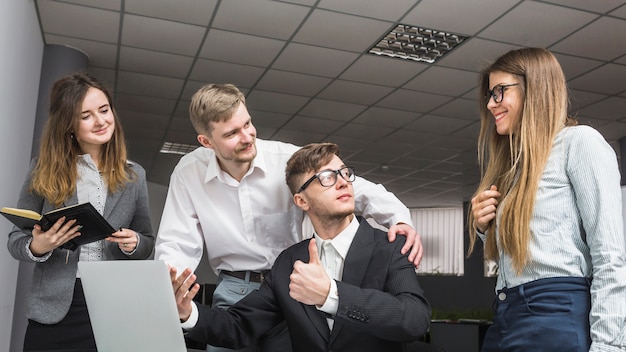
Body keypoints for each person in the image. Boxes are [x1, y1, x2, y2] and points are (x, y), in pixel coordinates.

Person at [154, 84, 423, 352]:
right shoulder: (189, 172)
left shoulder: (286, 160)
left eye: (247, 124)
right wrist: (171, 292)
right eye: (232, 133)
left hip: (295, 284)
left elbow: (357, 189)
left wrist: (398, 220)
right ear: (207, 142)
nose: (247, 137)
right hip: (237, 287)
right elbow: (178, 241)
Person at [468, 48, 626, 352]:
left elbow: (610, 256)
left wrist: (609, 347)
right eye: (490, 94)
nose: (491, 104)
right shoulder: (514, 168)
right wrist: (483, 227)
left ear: (535, 88)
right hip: (507, 315)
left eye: (500, 92)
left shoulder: (579, 143)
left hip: (555, 315)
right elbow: (521, 257)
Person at [6, 72, 154, 351]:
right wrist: (38, 246)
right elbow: (16, 240)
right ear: (68, 124)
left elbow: (147, 242)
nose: (100, 121)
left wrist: (134, 243)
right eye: (86, 115)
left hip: (112, 305)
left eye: (104, 110)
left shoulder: (135, 175)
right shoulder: (43, 169)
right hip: (53, 308)